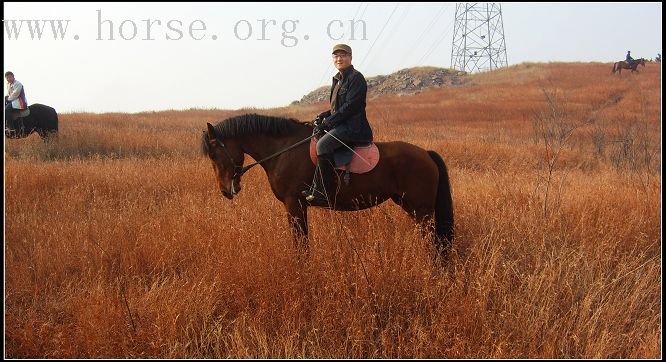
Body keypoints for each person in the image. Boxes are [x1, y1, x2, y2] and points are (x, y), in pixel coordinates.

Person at [303, 44, 374, 202]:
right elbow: (337, 108)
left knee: (322, 146)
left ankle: (324, 193)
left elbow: (351, 106)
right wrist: (324, 115)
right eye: (336, 56)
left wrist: (328, 122)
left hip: (353, 128)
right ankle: (315, 186)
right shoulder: (337, 80)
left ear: (350, 57)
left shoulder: (356, 78)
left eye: (343, 55)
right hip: (341, 124)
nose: (339, 58)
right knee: (316, 138)